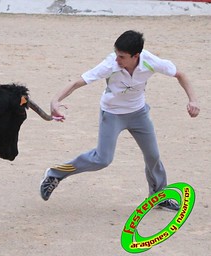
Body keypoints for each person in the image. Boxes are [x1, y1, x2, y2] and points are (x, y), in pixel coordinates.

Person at [40, 30, 200, 211]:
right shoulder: (110, 64)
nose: (117, 59)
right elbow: (78, 82)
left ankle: (158, 195)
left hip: (138, 113)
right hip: (112, 114)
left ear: (136, 56)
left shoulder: (150, 61)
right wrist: (56, 100)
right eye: (116, 54)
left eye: (122, 57)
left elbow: (181, 75)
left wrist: (192, 100)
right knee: (102, 159)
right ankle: (55, 174)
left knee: (153, 156)